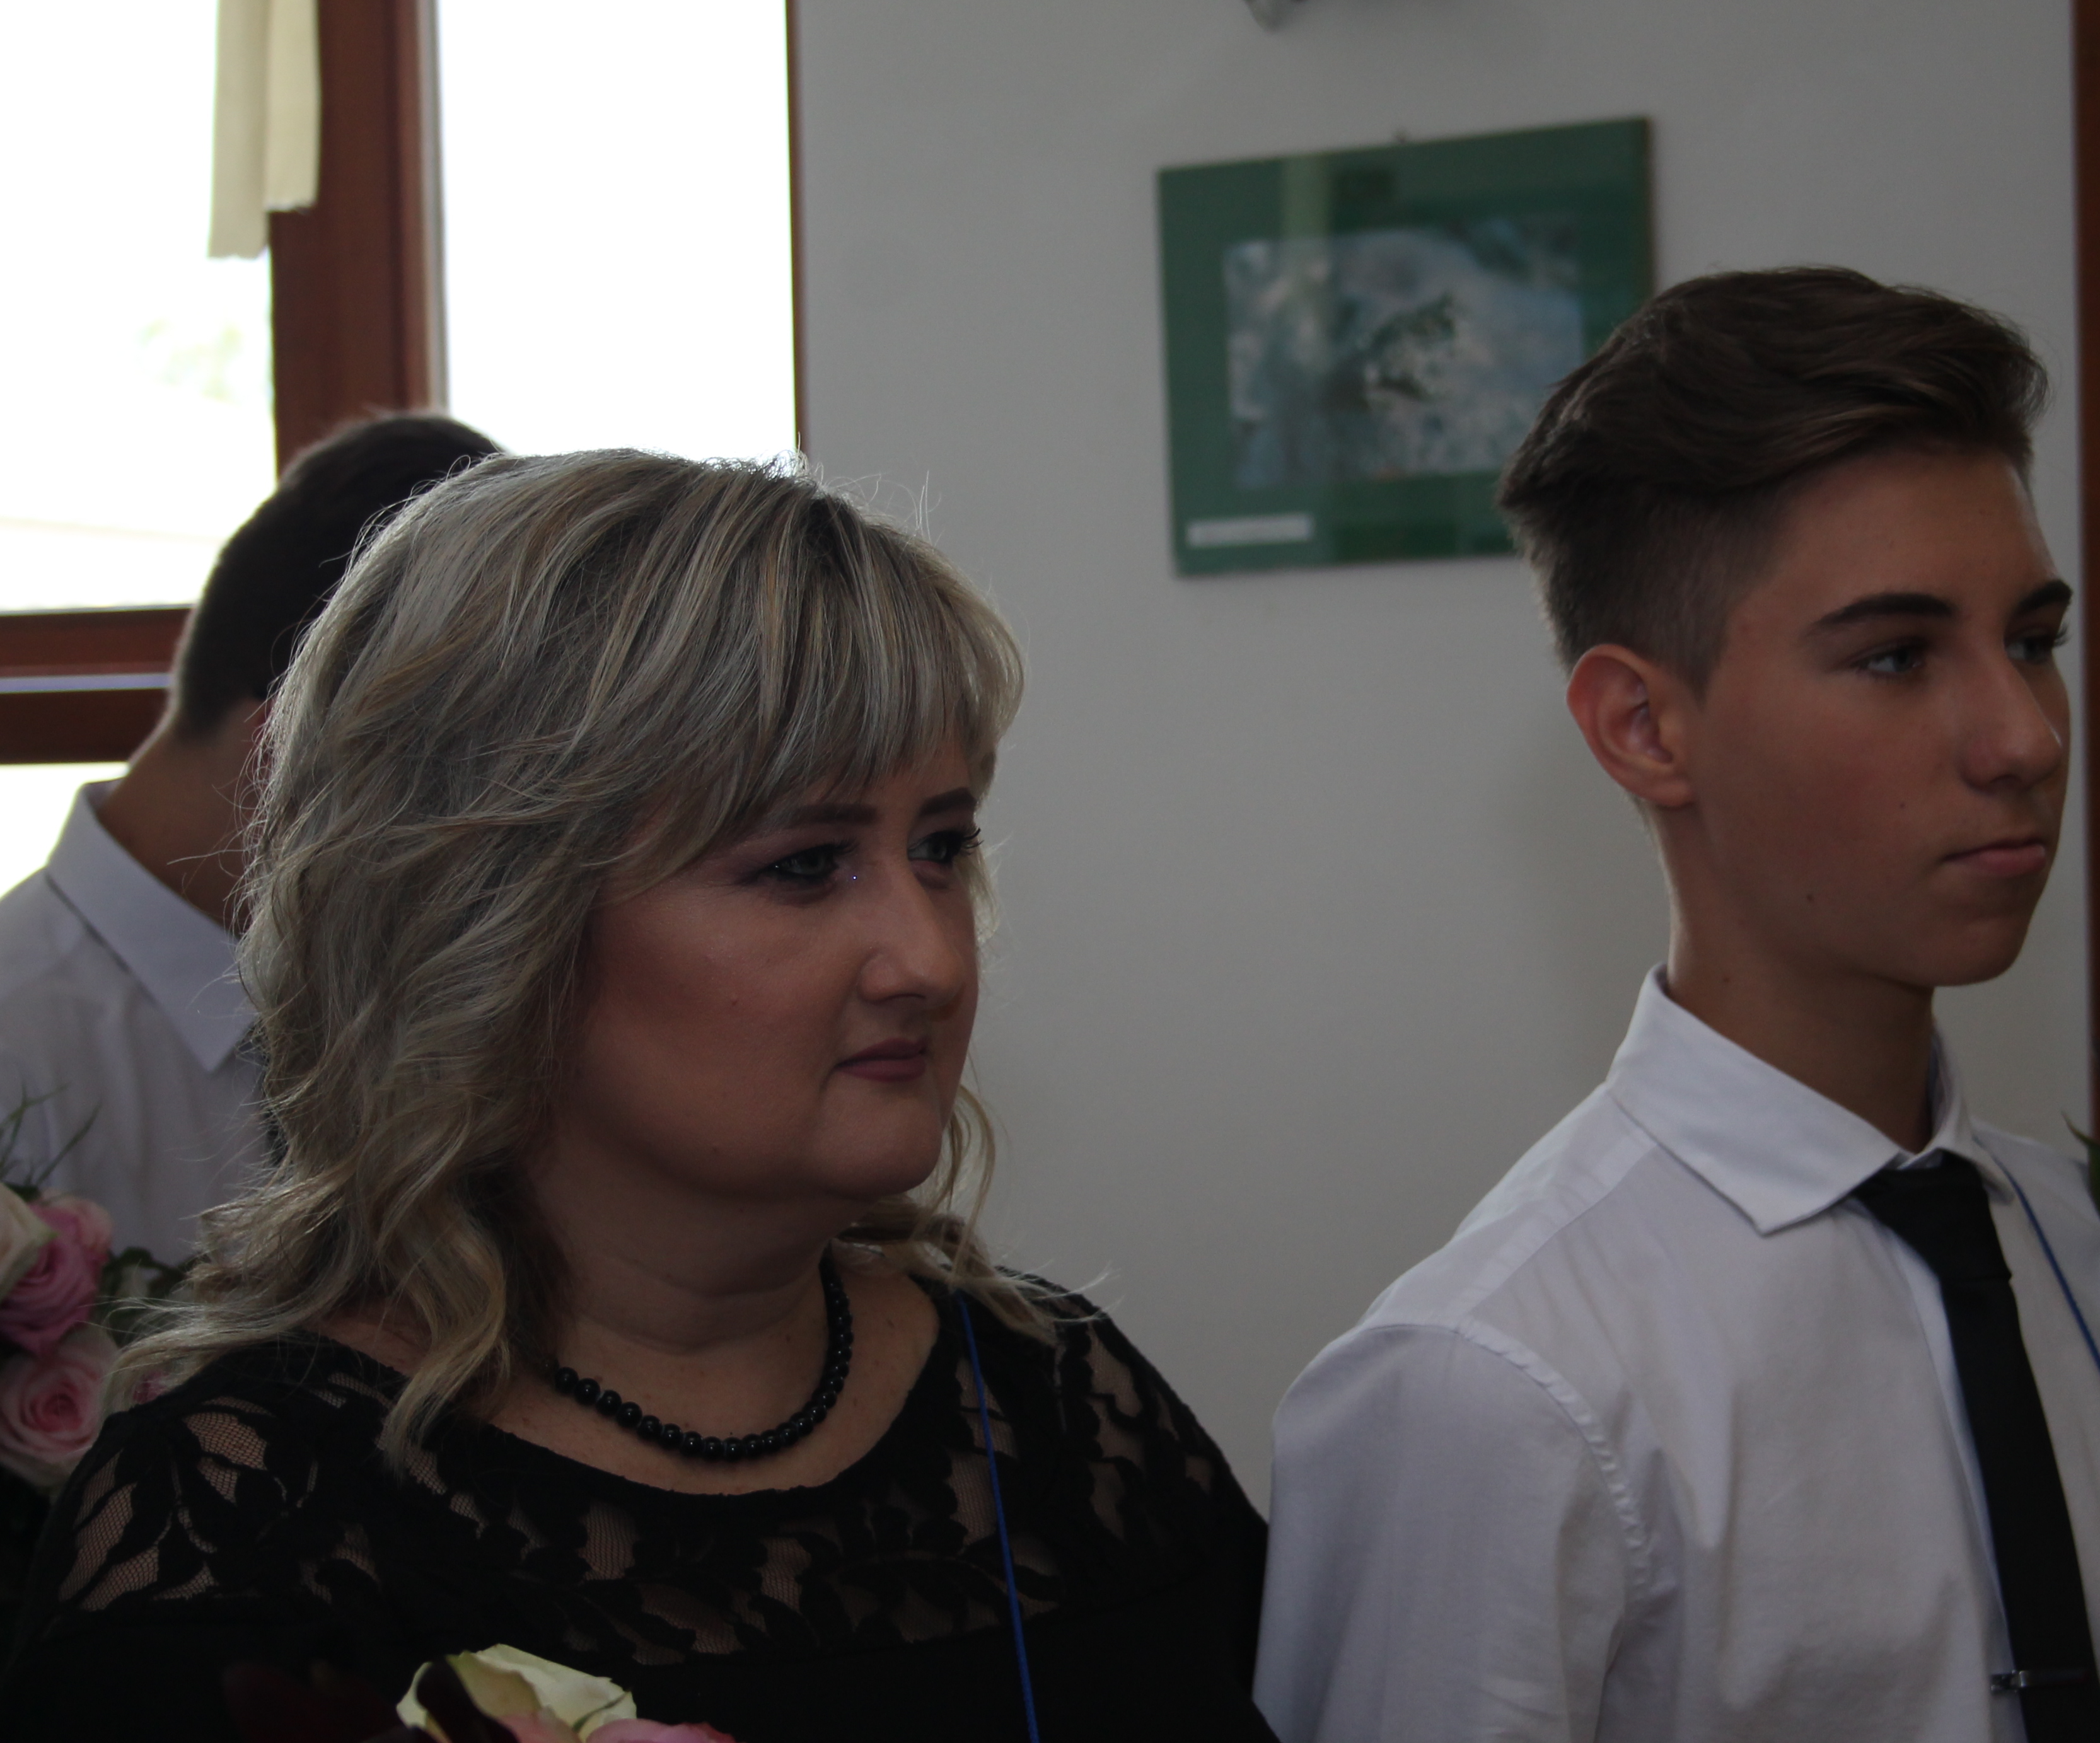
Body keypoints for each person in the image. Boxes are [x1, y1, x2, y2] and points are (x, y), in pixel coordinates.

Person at [0, 453, 1275, 1742]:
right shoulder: (243, 1532)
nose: (931, 961)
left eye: (940, 846)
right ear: (493, 924)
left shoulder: (1065, 1409)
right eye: (806, 865)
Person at [1253, 268, 2100, 1743]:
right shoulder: (1499, 1382)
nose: (2023, 736)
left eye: (2034, 640)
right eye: (1896, 654)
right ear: (1645, 726)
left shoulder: (2094, 1250)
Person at [0, 414, 501, 1263]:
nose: (481, 844)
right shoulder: (19, 1046)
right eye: (462, 781)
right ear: (296, 752)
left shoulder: (445, 1008)